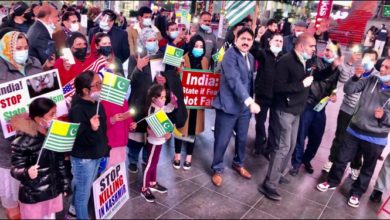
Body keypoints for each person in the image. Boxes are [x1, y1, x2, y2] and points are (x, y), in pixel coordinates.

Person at [316, 57, 390, 208]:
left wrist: (383, 116)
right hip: (354, 130)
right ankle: (331, 181)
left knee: (367, 168)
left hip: (375, 138)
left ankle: (356, 193)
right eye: (383, 66)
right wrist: (356, 77)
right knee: (341, 158)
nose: (382, 69)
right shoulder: (371, 80)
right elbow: (349, 89)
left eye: (387, 68)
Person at [259, 33, 316, 201]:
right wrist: (301, 85)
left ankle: (277, 174)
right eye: (312, 46)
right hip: (284, 109)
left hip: (296, 109)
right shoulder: (286, 61)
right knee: (281, 147)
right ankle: (269, 184)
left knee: (291, 146)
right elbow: (278, 87)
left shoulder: (304, 60)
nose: (314, 49)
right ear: (301, 46)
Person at [0, 30, 43, 219]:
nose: (23, 52)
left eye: (25, 47)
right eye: (18, 48)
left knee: (30, 191)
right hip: (7, 145)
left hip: (34, 140)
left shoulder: (35, 64)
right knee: (11, 196)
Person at [211, 27, 260, 187]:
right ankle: (217, 168)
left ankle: (238, 163)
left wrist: (251, 99)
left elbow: (249, 81)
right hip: (228, 106)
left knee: (242, 138)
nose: (246, 42)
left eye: (249, 40)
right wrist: (249, 101)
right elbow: (234, 81)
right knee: (222, 139)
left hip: (244, 108)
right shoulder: (229, 55)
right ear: (236, 39)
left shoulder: (251, 57)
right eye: (243, 39)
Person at [10, 98, 70, 219]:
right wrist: (26, 172)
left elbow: (60, 163)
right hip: (34, 195)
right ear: (38, 119)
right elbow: (15, 169)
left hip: (53, 191)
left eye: (56, 113)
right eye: (51, 114)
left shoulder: (54, 133)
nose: (56, 117)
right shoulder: (22, 142)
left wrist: (65, 184)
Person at [289, 41, 343, 176]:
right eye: (327, 49)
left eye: (331, 51)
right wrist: (332, 67)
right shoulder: (315, 61)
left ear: (336, 55)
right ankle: (296, 163)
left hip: (321, 107)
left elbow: (333, 87)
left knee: (316, 137)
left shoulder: (336, 70)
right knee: (301, 136)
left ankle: (306, 160)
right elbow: (318, 76)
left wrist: (334, 94)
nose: (327, 52)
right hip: (308, 104)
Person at [322, 49, 378, 178]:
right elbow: (342, 82)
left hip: (362, 115)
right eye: (366, 58)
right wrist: (350, 65)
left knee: (359, 142)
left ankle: (355, 166)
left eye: (372, 59)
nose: (368, 61)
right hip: (347, 109)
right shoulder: (354, 69)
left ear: (375, 61)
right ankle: (332, 160)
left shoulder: (377, 76)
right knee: (340, 137)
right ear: (362, 59)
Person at [68, 70, 109, 219]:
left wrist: (106, 151)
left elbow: (103, 132)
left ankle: (72, 212)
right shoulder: (77, 110)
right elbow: (78, 140)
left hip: (97, 154)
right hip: (84, 159)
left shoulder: (98, 104)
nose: (101, 87)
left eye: (101, 82)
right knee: (82, 197)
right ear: (85, 90)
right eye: (97, 84)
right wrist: (91, 128)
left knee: (83, 186)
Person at [127, 28, 166, 173]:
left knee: (150, 132)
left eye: (154, 39)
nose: (152, 42)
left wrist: (162, 81)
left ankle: (145, 157)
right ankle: (132, 160)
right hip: (138, 101)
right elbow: (130, 81)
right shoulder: (135, 57)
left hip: (153, 103)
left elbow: (162, 81)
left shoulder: (159, 57)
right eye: (148, 40)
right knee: (136, 134)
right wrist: (138, 67)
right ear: (143, 42)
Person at [173, 35, 207, 170]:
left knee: (192, 129)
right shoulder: (182, 58)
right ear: (191, 46)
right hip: (183, 100)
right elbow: (174, 78)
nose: (198, 49)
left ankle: (189, 156)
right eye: (196, 46)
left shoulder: (205, 61)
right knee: (180, 127)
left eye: (201, 47)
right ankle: (177, 155)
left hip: (196, 102)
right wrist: (179, 72)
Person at [250, 33, 284, 157]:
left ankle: (269, 149)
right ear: (270, 42)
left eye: (281, 41)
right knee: (260, 122)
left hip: (276, 97)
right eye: (276, 40)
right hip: (262, 95)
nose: (278, 42)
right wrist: (258, 38)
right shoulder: (264, 54)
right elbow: (253, 50)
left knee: (274, 125)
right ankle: (258, 145)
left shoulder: (284, 58)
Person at [141, 84, 174, 202]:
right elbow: (151, 131)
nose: (164, 99)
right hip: (155, 141)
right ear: (154, 98)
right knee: (150, 164)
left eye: (165, 97)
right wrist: (166, 134)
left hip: (159, 141)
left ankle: (152, 183)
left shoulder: (158, 107)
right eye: (161, 97)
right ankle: (144, 188)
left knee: (154, 162)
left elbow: (166, 109)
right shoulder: (153, 110)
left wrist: (173, 104)